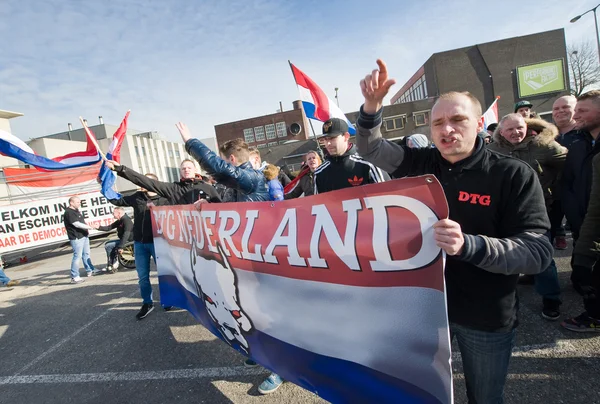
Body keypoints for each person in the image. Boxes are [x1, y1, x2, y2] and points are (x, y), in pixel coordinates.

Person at [356, 59, 552, 404]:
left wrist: (471, 245)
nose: (448, 130)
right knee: (422, 394)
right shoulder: (421, 163)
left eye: (458, 120)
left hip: (486, 315)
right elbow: (371, 149)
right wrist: (372, 108)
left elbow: (537, 252)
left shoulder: (512, 174)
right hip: (425, 312)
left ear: (479, 123)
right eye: (438, 123)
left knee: (485, 397)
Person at [488, 114, 566, 320]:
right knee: (506, 253)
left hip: (536, 210)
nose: (516, 133)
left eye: (519, 128)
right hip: (505, 212)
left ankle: (551, 298)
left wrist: (552, 189)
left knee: (544, 257)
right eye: (510, 129)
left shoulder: (544, 145)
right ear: (501, 132)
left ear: (527, 127)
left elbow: (569, 165)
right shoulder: (493, 150)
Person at [105, 173, 171, 320]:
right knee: (142, 277)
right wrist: (104, 185)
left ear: (154, 182)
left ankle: (167, 300)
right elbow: (118, 200)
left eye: (145, 181)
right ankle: (147, 303)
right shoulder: (137, 196)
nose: (141, 183)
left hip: (158, 243)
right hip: (139, 243)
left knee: (163, 274)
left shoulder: (165, 199)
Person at [561, 90, 600, 295]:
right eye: (576, 110)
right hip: (581, 223)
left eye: (583, 110)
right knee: (583, 280)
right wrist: (573, 213)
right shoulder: (575, 144)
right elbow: (567, 182)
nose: (575, 116)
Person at [177, 123, 270, 202]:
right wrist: (210, 206)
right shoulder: (238, 182)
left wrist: (190, 142)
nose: (222, 162)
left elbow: (218, 167)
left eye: (223, 160)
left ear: (232, 159)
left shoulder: (251, 178)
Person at [562, 152, 600, 332]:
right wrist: (583, 256)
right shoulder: (595, 157)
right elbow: (595, 211)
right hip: (580, 218)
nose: (576, 120)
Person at [313, 117, 389, 194]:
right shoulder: (320, 173)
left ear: (346, 136)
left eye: (332, 138)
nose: (328, 143)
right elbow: (317, 204)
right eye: (325, 139)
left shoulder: (369, 163)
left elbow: (389, 195)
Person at [105, 159, 221, 206]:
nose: (186, 170)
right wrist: (120, 169)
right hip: (185, 235)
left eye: (189, 168)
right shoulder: (173, 188)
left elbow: (222, 208)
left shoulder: (208, 188)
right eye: (183, 168)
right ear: (180, 171)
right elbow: (146, 181)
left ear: (196, 170)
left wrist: (208, 202)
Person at [552, 95, 583, 250]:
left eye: (565, 107)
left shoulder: (585, 134)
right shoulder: (545, 137)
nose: (560, 111)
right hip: (553, 195)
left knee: (582, 235)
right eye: (556, 108)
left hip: (580, 194)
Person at [63, 196, 99, 283]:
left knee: (86, 254)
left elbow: (81, 222)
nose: (79, 203)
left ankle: (90, 270)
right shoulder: (69, 212)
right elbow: (77, 224)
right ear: (71, 203)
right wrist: (90, 227)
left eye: (79, 202)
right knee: (77, 256)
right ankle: (74, 276)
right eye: (77, 202)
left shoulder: (76, 211)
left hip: (83, 235)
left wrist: (87, 228)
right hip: (76, 238)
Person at [96, 207, 134, 273]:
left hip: (129, 240)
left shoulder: (126, 220)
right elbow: (109, 227)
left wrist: (121, 246)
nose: (112, 214)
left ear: (119, 213)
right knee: (107, 244)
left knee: (109, 246)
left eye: (113, 213)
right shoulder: (120, 220)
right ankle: (112, 262)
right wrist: (98, 227)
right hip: (125, 240)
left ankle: (112, 264)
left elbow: (126, 234)